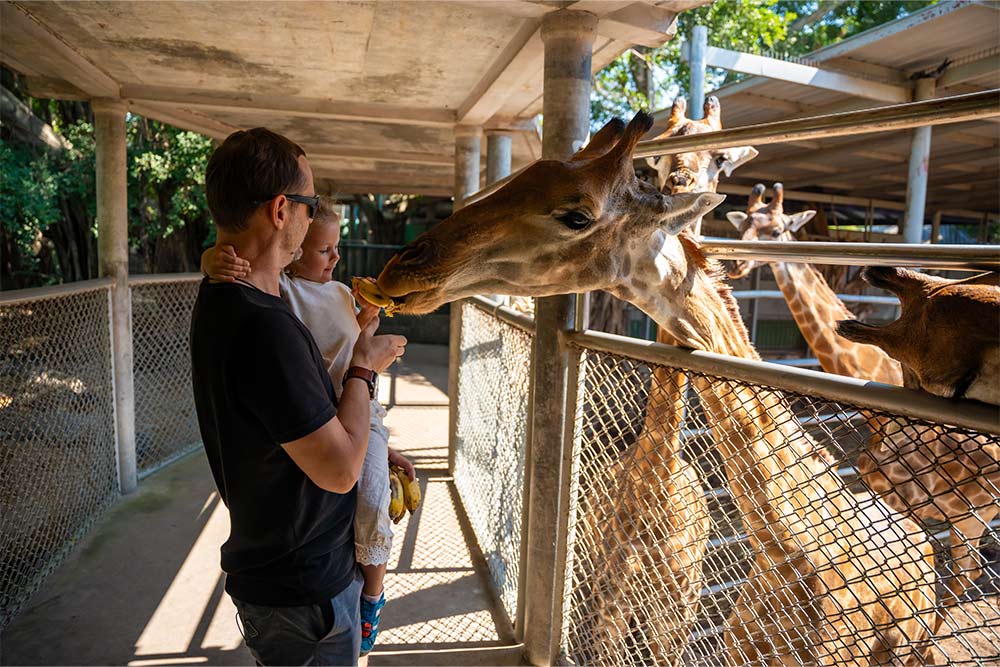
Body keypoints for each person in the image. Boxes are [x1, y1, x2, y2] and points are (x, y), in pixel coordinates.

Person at [190, 127, 407, 666]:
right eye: (310, 207)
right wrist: (365, 365)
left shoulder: (226, 296)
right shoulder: (265, 328)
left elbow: (299, 420)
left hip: (286, 573)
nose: (314, 219)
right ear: (282, 210)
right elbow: (338, 470)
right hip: (304, 591)